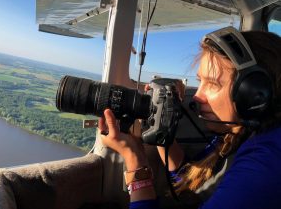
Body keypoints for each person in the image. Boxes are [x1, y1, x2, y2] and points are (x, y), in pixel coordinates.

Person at [98, 26, 281, 209]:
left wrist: (133, 156)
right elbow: (191, 181)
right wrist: (163, 130)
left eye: (212, 83)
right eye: (200, 81)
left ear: (255, 93)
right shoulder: (244, 132)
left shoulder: (265, 162)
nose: (196, 97)